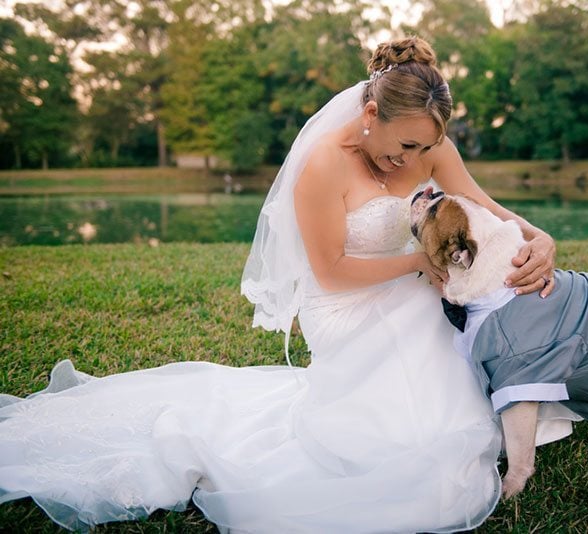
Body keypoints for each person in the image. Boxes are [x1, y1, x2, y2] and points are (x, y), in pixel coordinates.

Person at [0, 37, 558, 532]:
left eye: (423, 148)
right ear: (370, 113)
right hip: (341, 302)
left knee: (448, 300)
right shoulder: (322, 166)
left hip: (404, 280)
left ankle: (473, 413)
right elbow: (330, 271)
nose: (412, 159)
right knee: (426, 307)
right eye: (405, 146)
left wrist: (540, 238)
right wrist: (415, 265)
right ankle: (420, 433)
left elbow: (483, 205)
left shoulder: (427, 142)